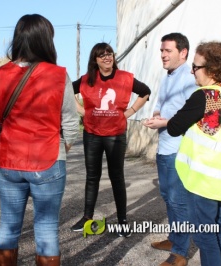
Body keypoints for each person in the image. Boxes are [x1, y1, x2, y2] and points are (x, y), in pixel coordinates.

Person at [144, 41, 221, 266]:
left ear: (211, 70)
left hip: (205, 181)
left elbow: (174, 127)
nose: (192, 71)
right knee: (219, 229)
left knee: (205, 235)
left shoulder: (205, 96)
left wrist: (165, 120)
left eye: (196, 67)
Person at [0, 14, 79, 266]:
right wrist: (62, 147)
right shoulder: (58, 75)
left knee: (8, 224)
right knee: (46, 227)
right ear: (45, 40)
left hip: (7, 161)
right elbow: (70, 122)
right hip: (47, 159)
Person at [70, 42, 151, 237]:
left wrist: (129, 112)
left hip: (115, 134)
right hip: (92, 134)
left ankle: (123, 220)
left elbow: (145, 91)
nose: (107, 57)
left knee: (117, 177)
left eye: (110, 54)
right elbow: (66, 91)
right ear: (95, 60)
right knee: (92, 177)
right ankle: (87, 218)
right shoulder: (87, 79)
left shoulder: (124, 78)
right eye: (102, 55)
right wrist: (81, 110)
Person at [143, 33, 198, 265]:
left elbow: (192, 114)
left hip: (179, 149)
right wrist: (156, 115)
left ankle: (180, 254)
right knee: (168, 197)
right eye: (161, 51)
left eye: (168, 51)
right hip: (164, 147)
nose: (163, 55)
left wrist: (164, 122)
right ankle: (175, 239)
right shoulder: (168, 75)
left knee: (178, 202)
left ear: (183, 53)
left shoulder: (190, 78)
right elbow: (161, 103)